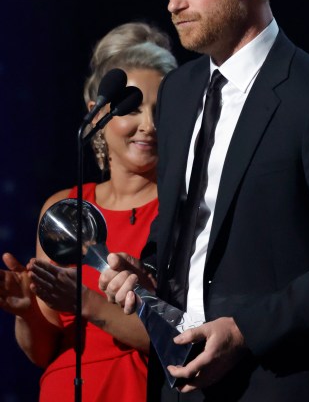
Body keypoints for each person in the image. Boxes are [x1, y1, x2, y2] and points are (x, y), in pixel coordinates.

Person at [99, 0, 309, 401]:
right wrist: (146, 273)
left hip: (281, 382)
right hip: (181, 381)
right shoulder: (179, 91)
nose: (174, 3)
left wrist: (246, 330)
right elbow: (183, 236)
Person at [0, 21, 177, 401]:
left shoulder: (183, 207)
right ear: (96, 112)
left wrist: (86, 301)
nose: (149, 125)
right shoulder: (63, 208)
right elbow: (44, 351)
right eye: (133, 107)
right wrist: (27, 311)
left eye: (161, 110)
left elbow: (179, 339)